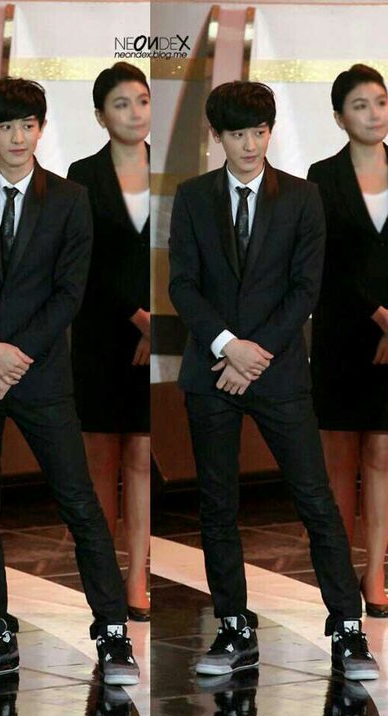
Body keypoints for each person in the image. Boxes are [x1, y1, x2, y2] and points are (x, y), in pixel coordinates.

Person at [168, 80, 379, 680]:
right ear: (217, 136)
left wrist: (255, 354)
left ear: (270, 132)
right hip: (213, 371)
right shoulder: (192, 197)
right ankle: (234, 627)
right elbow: (183, 283)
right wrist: (228, 346)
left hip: (278, 371)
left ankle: (348, 629)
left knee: (316, 500)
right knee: (217, 506)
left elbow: (306, 288)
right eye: (238, 134)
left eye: (259, 132)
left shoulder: (303, 197)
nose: (250, 145)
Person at [0, 77, 139, 685]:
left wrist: (15, 357)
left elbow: (69, 292)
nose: (18, 137)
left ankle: (113, 633)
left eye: (28, 125)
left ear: (41, 128)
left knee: (80, 504)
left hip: (40, 374)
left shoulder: (71, 199)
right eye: (6, 126)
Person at [67, 62, 150, 621]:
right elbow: (82, 261)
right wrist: (135, 316)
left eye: (142, 101)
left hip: (156, 336)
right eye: (121, 103)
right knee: (100, 461)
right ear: (101, 116)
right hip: (102, 331)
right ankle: (101, 580)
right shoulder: (83, 175)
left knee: (142, 457)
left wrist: (156, 321)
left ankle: (138, 579)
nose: (135, 112)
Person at [308, 64, 388, 617]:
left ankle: (376, 571)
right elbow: (322, 262)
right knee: (338, 461)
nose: (374, 114)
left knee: (382, 456)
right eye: (360, 105)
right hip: (341, 332)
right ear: (339, 117)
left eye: (380, 102)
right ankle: (338, 576)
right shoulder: (322, 176)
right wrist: (377, 314)